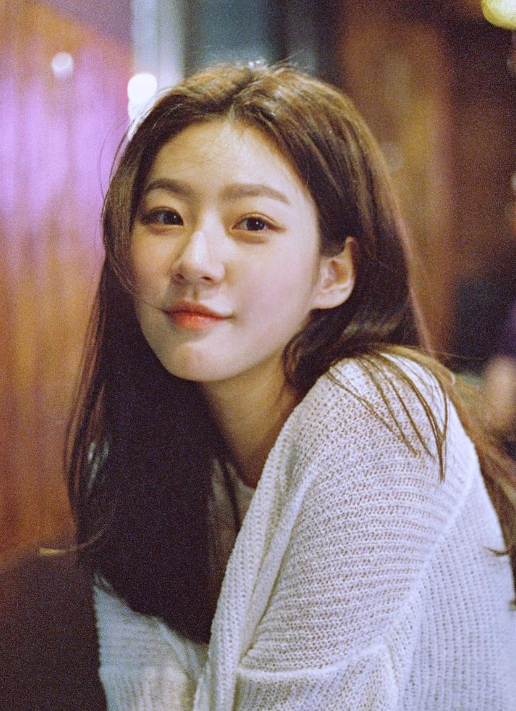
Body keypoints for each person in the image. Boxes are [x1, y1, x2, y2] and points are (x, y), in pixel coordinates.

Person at [2, 62, 516, 710]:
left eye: (252, 224)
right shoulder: (158, 452)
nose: (194, 260)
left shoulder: (377, 415)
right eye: (165, 215)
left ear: (334, 274)